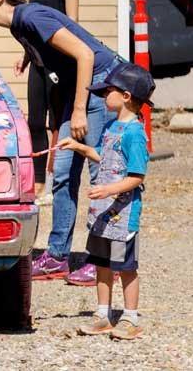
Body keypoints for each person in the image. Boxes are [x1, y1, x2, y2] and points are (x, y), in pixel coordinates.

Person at [0, 0, 120, 287]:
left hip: (101, 86)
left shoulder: (30, 15)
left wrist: (79, 109)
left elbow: (85, 54)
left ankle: (106, 260)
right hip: (78, 92)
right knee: (63, 174)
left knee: (102, 175)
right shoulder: (19, 25)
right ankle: (57, 256)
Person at [58, 62, 154, 340]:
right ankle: (103, 314)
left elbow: (137, 176)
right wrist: (78, 146)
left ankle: (131, 317)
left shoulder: (135, 133)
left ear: (125, 96)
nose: (102, 96)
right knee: (102, 264)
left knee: (125, 268)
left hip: (123, 216)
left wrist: (108, 189)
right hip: (104, 212)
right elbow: (105, 156)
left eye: (107, 91)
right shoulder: (113, 127)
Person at [22, 0, 80, 207]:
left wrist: (67, 56)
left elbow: (72, 21)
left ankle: (56, 179)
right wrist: (25, 55)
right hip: (37, 58)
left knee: (57, 122)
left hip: (58, 58)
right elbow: (31, 19)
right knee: (34, 122)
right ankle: (37, 183)